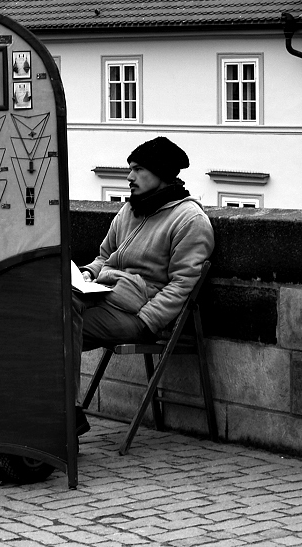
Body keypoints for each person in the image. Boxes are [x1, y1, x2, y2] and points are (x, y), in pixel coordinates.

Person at [73, 137, 214, 436]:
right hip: (103, 295)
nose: (129, 177)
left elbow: (182, 285)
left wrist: (147, 321)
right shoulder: (130, 210)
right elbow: (104, 257)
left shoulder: (189, 220)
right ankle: (53, 409)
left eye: (138, 169)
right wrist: (86, 274)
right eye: (130, 169)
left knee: (58, 323)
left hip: (135, 314)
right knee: (48, 305)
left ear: (161, 173)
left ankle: (61, 412)